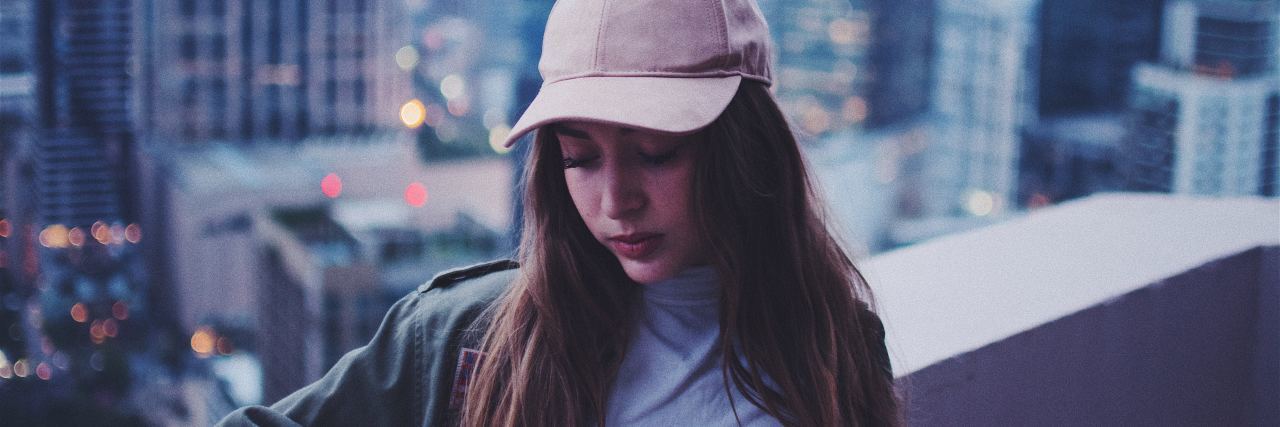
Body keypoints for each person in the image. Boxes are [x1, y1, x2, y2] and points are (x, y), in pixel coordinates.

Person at [219, 0, 899, 425]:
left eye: (655, 153)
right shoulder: (462, 338)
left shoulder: (835, 343)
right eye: (579, 158)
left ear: (743, 151)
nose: (614, 200)